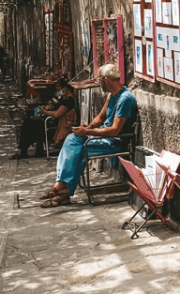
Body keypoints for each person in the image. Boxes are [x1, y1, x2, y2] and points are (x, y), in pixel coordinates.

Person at [40, 64, 137, 208]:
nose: (99, 83)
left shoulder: (124, 99)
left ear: (106, 79)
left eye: (100, 80)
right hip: (103, 136)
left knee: (75, 151)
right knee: (72, 141)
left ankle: (62, 189)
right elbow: (101, 117)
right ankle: (63, 189)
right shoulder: (111, 95)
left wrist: (88, 132)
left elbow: (115, 130)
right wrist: (88, 127)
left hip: (114, 141)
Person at [11, 78, 78, 160]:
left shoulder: (69, 100)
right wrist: (49, 107)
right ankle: (27, 149)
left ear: (65, 88)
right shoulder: (64, 99)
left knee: (29, 124)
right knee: (29, 122)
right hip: (52, 121)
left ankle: (23, 150)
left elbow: (57, 114)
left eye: (59, 89)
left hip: (56, 125)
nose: (59, 91)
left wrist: (45, 111)